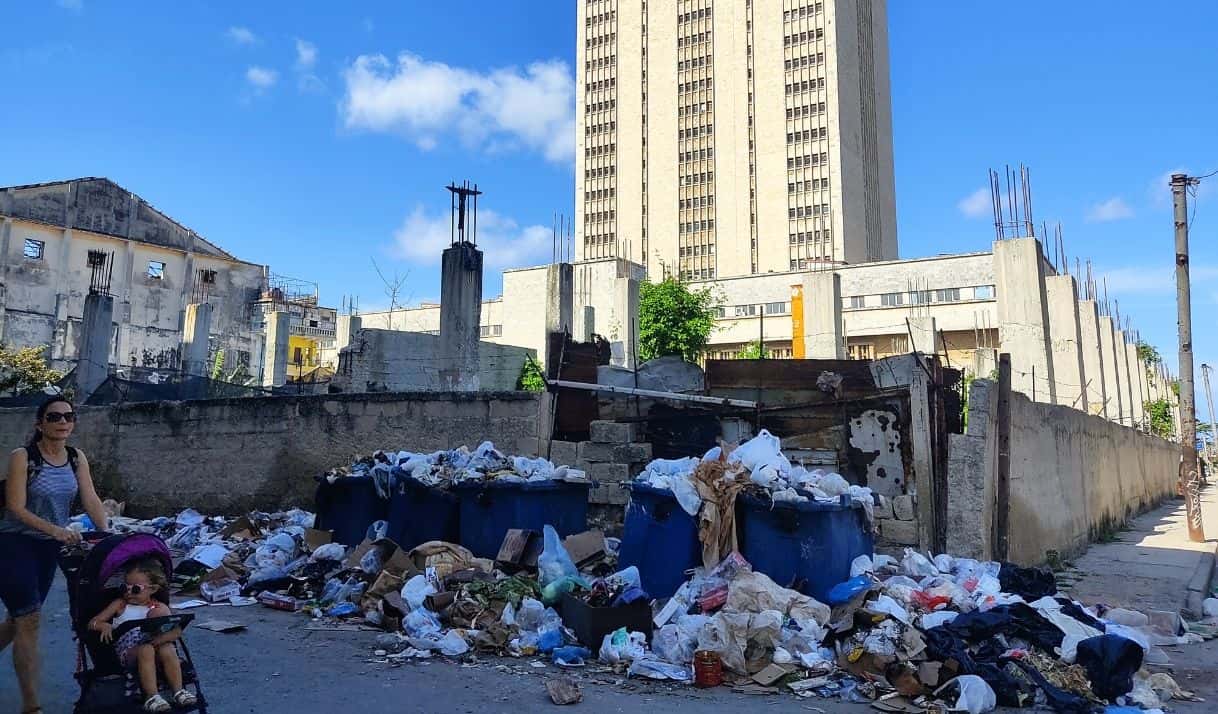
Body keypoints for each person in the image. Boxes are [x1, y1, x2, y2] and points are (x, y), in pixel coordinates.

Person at [0, 396, 109, 714]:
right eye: (54, 416)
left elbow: (90, 497)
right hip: (12, 543)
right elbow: (15, 508)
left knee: (18, 621)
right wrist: (56, 530)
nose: (62, 421)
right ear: (40, 424)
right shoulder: (23, 457)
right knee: (30, 619)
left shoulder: (76, 458)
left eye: (68, 416)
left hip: (48, 548)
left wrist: (106, 531)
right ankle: (32, 707)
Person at [88, 560, 196, 712]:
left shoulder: (159, 607)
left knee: (167, 647)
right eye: (125, 587)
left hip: (154, 646)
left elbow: (176, 631)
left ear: (152, 589)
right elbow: (93, 622)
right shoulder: (120, 604)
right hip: (130, 652)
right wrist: (103, 625)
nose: (129, 592)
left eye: (136, 589)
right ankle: (152, 696)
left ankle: (178, 691)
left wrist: (160, 639)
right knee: (146, 649)